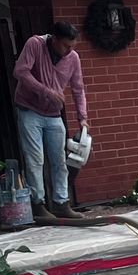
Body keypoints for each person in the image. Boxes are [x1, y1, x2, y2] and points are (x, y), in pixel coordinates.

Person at [12, 21, 88, 218]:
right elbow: (20, 71)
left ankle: (61, 203)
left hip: (53, 115)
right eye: (66, 45)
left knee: (59, 160)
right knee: (35, 159)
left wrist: (83, 118)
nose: (69, 50)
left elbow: (78, 88)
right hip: (29, 110)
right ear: (55, 39)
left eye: (73, 46)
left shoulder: (73, 58)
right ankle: (38, 204)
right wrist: (47, 92)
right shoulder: (35, 44)